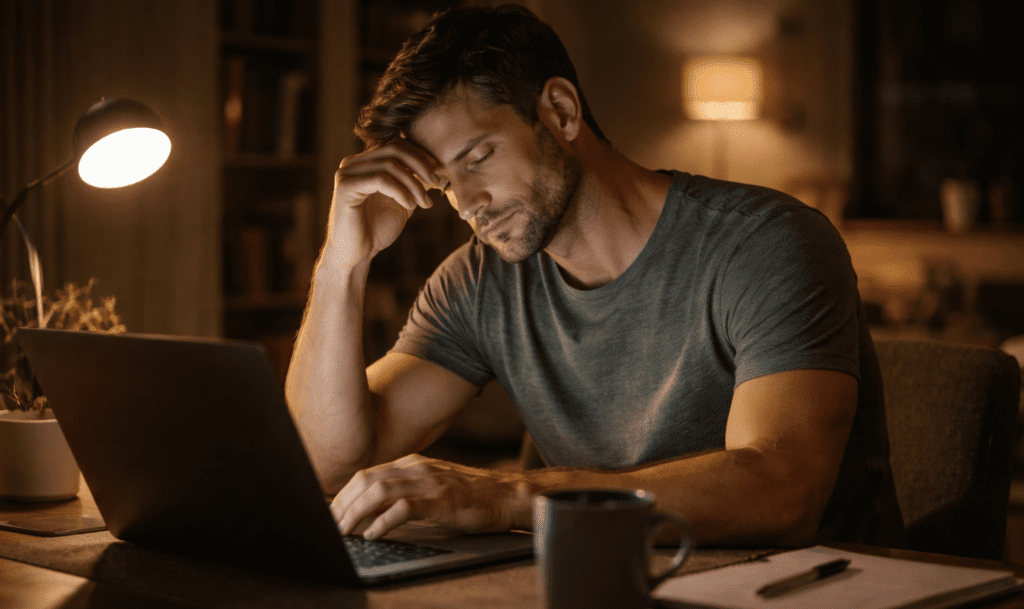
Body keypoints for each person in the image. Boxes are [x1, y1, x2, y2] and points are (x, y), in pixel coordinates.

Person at [285, 4, 905, 548]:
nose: (467, 204)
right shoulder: (479, 282)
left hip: (817, 607)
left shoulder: (766, 244)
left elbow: (783, 493)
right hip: (613, 589)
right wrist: (342, 261)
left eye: (478, 157)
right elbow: (325, 464)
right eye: (444, 182)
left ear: (560, 111)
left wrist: (506, 497)